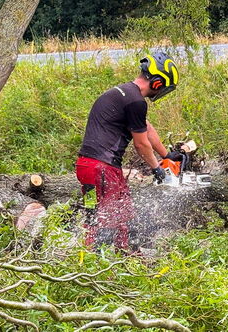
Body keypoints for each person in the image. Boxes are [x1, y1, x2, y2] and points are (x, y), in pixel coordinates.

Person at [75, 51, 179, 250]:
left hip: (86, 168)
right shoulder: (136, 101)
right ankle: (110, 259)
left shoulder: (124, 93)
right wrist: (156, 169)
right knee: (113, 220)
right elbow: (141, 144)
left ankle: (92, 256)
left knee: (94, 215)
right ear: (157, 82)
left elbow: (146, 128)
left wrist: (166, 155)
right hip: (103, 169)